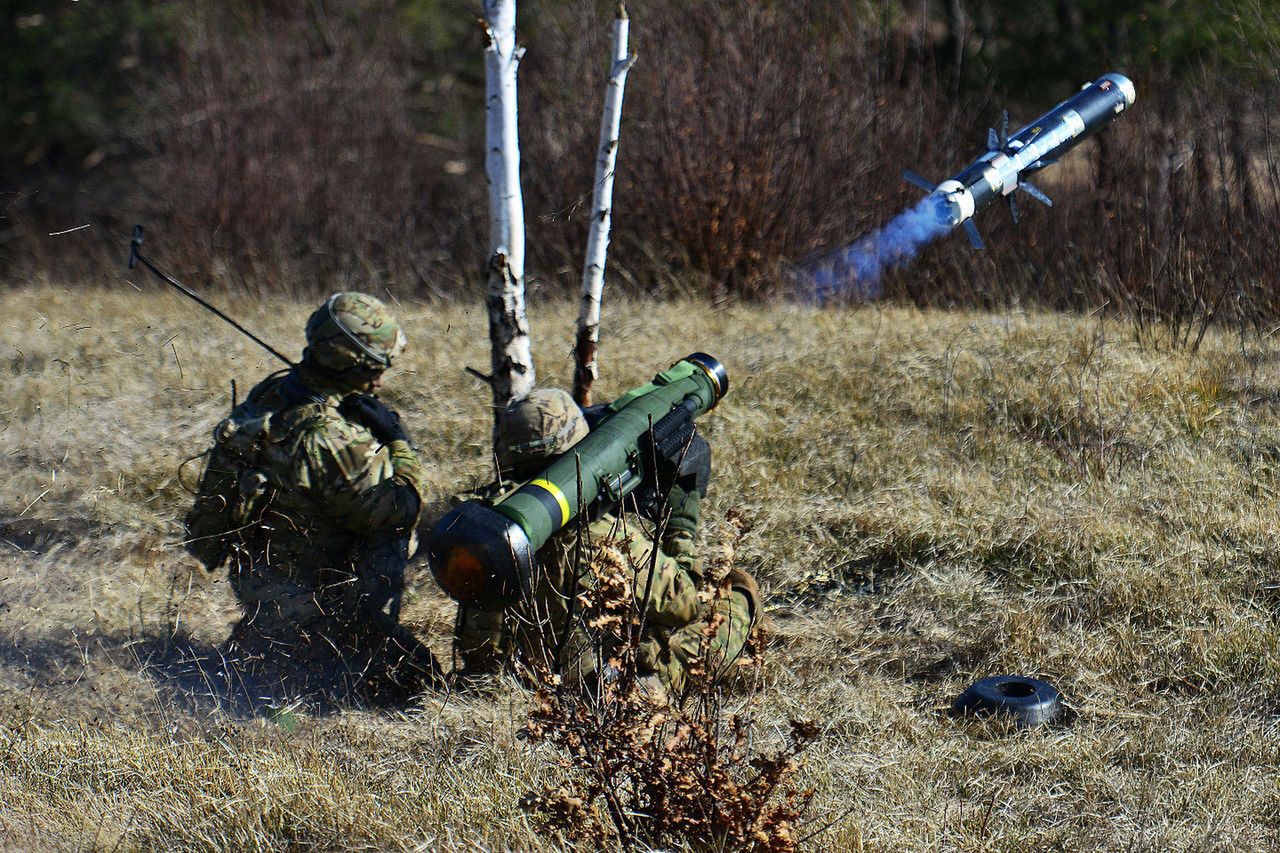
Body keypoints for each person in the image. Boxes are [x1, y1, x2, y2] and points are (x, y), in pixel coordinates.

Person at [185, 291, 440, 697]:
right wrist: (397, 441)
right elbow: (401, 508)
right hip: (324, 610)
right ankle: (320, 656)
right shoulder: (328, 437)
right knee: (421, 680)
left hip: (264, 594)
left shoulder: (267, 399)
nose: (380, 379)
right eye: (374, 367)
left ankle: (263, 644)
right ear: (350, 364)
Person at [452, 388, 760, 697]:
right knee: (739, 591)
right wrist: (680, 523)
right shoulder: (600, 536)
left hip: (515, 678)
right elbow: (685, 604)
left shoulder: (486, 525)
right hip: (599, 693)